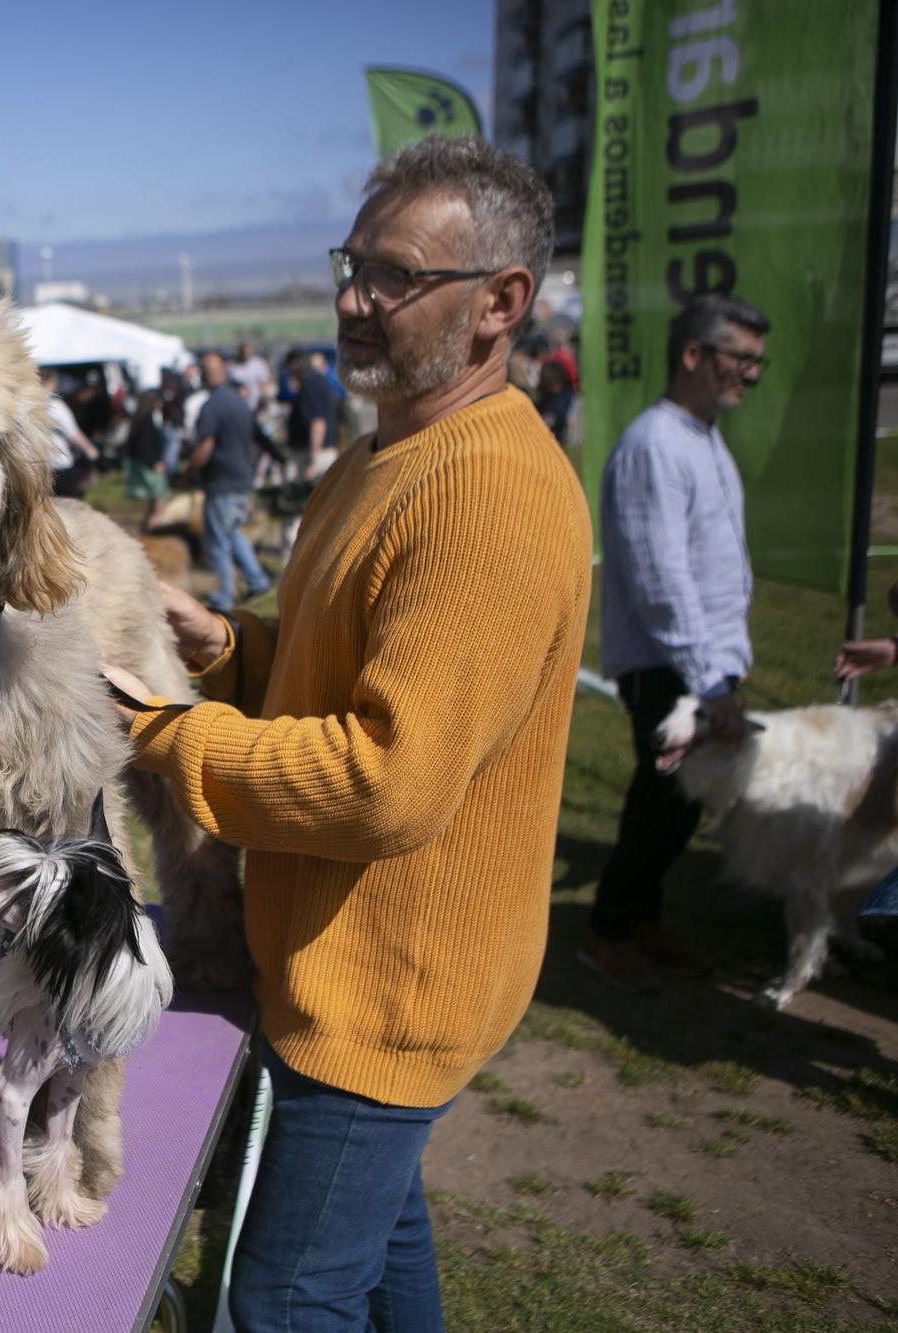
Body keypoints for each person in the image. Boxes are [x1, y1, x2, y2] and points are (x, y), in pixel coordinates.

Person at [106, 137, 588, 1331]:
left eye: (391, 277)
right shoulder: (384, 455)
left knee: (274, 1300)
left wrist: (167, 734)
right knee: (372, 1256)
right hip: (352, 969)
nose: (349, 301)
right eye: (348, 264)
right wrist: (227, 648)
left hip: (378, 994)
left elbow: (386, 780)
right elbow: (345, 673)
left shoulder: (483, 489)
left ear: (498, 305)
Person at [584, 294, 770, 994]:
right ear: (693, 355)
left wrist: (724, 668)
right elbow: (662, 578)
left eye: (756, 362)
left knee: (677, 805)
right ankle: (606, 931)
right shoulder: (654, 446)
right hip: (671, 666)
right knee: (661, 804)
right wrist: (708, 682)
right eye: (739, 359)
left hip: (702, 664)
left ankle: (638, 922)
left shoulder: (702, 437)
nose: (750, 375)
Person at [190, 350, 274, 610]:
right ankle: (257, 580)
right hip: (242, 479)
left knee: (217, 542)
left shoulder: (211, 406)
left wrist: (188, 472)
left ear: (204, 376)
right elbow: (258, 437)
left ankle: (223, 596)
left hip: (221, 482)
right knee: (233, 533)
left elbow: (205, 445)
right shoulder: (240, 402)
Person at [39, 367, 98, 497]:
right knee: (69, 508)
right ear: (49, 382)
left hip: (38, 467)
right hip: (60, 465)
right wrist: (89, 450)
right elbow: (73, 434)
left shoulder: (28, 405)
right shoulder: (56, 406)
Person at [121, 391, 171, 529]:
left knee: (152, 503)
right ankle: (151, 530)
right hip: (150, 465)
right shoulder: (148, 420)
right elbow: (145, 446)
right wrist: (154, 462)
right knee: (160, 503)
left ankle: (146, 528)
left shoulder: (140, 419)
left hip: (142, 464)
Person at [230, 338, 275, 408]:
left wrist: (263, 398)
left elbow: (266, 383)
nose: (246, 351)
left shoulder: (259, 364)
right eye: (244, 348)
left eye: (248, 348)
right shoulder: (233, 366)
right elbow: (230, 385)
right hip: (239, 405)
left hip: (257, 405)